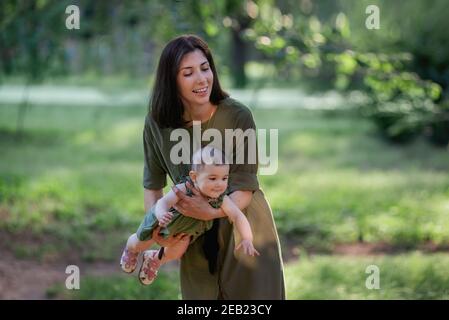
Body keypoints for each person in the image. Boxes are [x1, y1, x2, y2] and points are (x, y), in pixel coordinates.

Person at [137, 34, 285, 299]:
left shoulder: (238, 116)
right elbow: (153, 185)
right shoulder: (157, 124)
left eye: (205, 68)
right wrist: (161, 234)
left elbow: (245, 188)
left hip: (244, 227)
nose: (202, 79)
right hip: (194, 237)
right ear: (171, 80)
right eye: (188, 72)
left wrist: (208, 212)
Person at [120, 146, 260, 285]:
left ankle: (155, 258)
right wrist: (161, 214)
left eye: (224, 178)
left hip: (183, 232)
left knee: (176, 253)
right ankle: (131, 249)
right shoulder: (184, 188)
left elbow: (237, 216)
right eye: (213, 178)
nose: (219, 184)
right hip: (161, 222)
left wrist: (247, 238)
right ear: (194, 177)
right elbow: (163, 202)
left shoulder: (221, 198)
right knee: (140, 243)